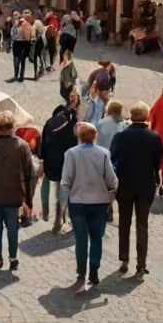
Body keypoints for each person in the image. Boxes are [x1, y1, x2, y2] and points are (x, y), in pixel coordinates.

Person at [60, 121, 117, 295]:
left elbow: (65, 181)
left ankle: (81, 273)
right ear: (95, 136)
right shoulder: (104, 153)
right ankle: (94, 269)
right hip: (99, 203)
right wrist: (110, 199)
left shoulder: (71, 153)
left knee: (81, 239)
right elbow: (112, 181)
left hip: (77, 203)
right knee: (97, 238)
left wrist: (63, 206)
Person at [110, 101, 163, 276]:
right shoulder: (154, 137)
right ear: (147, 116)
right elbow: (159, 162)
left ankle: (124, 259)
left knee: (124, 222)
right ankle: (141, 263)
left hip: (125, 184)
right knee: (142, 224)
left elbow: (113, 158)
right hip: (145, 185)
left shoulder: (121, 136)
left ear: (131, 117)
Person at [0, 111, 35, 272]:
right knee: (12, 227)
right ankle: (13, 257)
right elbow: (30, 173)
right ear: (12, 127)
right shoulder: (22, 145)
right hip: (13, 195)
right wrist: (28, 199)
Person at [39, 96, 79, 231]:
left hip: (51, 163)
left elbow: (43, 145)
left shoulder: (49, 124)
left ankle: (47, 212)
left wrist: (43, 159)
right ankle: (61, 217)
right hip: (68, 163)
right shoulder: (72, 126)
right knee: (66, 191)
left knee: (53, 186)